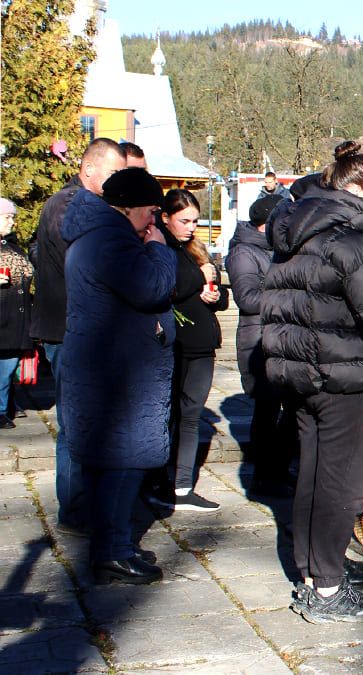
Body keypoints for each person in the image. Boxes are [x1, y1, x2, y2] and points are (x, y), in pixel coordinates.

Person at [261, 141, 363, 622]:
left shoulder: (299, 232)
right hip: (344, 374)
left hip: (305, 374)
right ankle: (326, 588)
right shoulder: (350, 241)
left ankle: (313, 573)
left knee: (311, 475)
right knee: (343, 482)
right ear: (360, 188)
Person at [59, 167, 175, 584]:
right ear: (131, 209)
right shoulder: (111, 241)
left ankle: (115, 543)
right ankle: (112, 550)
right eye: (151, 213)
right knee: (121, 467)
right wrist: (159, 250)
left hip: (108, 370)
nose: (154, 222)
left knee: (110, 467)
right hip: (117, 377)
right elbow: (151, 288)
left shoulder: (95, 236)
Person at [32, 137, 126, 535]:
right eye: (114, 173)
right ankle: (74, 509)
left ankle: (91, 503)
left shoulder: (91, 206)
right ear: (89, 169)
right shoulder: (67, 206)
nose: (119, 181)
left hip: (87, 329)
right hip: (68, 330)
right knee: (74, 423)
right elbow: (87, 261)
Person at [145, 190, 229, 513]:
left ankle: (182, 485)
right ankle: (158, 481)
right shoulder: (159, 245)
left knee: (191, 415)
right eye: (185, 221)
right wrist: (199, 278)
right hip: (175, 343)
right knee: (169, 416)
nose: (192, 227)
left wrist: (216, 295)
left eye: (195, 221)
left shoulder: (196, 249)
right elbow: (170, 286)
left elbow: (218, 294)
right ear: (166, 218)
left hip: (203, 344)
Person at [226, 194, 296, 496]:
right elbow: (247, 299)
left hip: (279, 339)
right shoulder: (244, 252)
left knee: (288, 410)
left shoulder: (273, 250)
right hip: (258, 340)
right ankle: (263, 477)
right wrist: (287, 297)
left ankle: (278, 472)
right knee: (266, 412)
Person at [0, 198, 34, 427]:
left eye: (12, 216)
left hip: (14, 319)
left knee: (8, 367)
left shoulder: (11, 245)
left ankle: (6, 405)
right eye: (7, 217)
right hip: (4, 318)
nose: (12, 222)